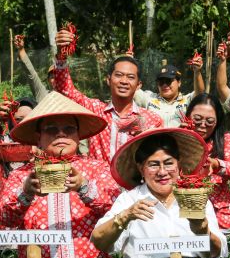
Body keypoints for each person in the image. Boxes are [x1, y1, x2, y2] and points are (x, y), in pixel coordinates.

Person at [0, 92, 121, 258]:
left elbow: (117, 213)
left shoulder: (97, 169)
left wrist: (85, 187)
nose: (61, 134)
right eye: (52, 129)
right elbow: (3, 220)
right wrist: (26, 194)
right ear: (39, 137)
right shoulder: (22, 175)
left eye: (68, 129)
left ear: (78, 135)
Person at [91, 128, 227, 258]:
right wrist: (125, 216)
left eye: (168, 163)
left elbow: (216, 252)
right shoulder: (130, 200)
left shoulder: (195, 198)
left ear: (179, 165)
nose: (162, 172)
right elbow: (99, 240)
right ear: (141, 169)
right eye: (153, 164)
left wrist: (202, 231)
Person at [53, 29, 163, 162]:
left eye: (130, 77)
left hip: (137, 183)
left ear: (139, 85)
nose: (124, 81)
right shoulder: (94, 112)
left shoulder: (152, 120)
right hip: (98, 181)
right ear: (108, 80)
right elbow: (65, 90)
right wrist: (61, 56)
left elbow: (161, 156)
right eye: (118, 75)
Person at [184, 93, 230, 236]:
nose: (202, 125)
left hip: (220, 217)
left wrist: (216, 165)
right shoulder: (177, 137)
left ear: (217, 121)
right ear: (188, 116)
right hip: (185, 216)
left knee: (220, 255)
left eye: (209, 121)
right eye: (197, 119)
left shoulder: (225, 139)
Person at [0, 97, 37, 189]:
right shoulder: (4, 145)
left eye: (30, 119)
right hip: (9, 201)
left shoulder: (45, 144)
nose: (24, 124)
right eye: (18, 120)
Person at [133, 60, 204, 127]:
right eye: (161, 82)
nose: (164, 85)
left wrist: (197, 71)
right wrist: (129, 63)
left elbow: (200, 93)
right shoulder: (149, 98)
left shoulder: (187, 100)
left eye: (168, 81)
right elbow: (130, 90)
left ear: (179, 82)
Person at [13, 34, 52, 102]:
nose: (55, 79)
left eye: (58, 75)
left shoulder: (69, 96)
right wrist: (21, 49)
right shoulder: (43, 94)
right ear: (48, 80)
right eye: (52, 76)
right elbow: (32, 74)